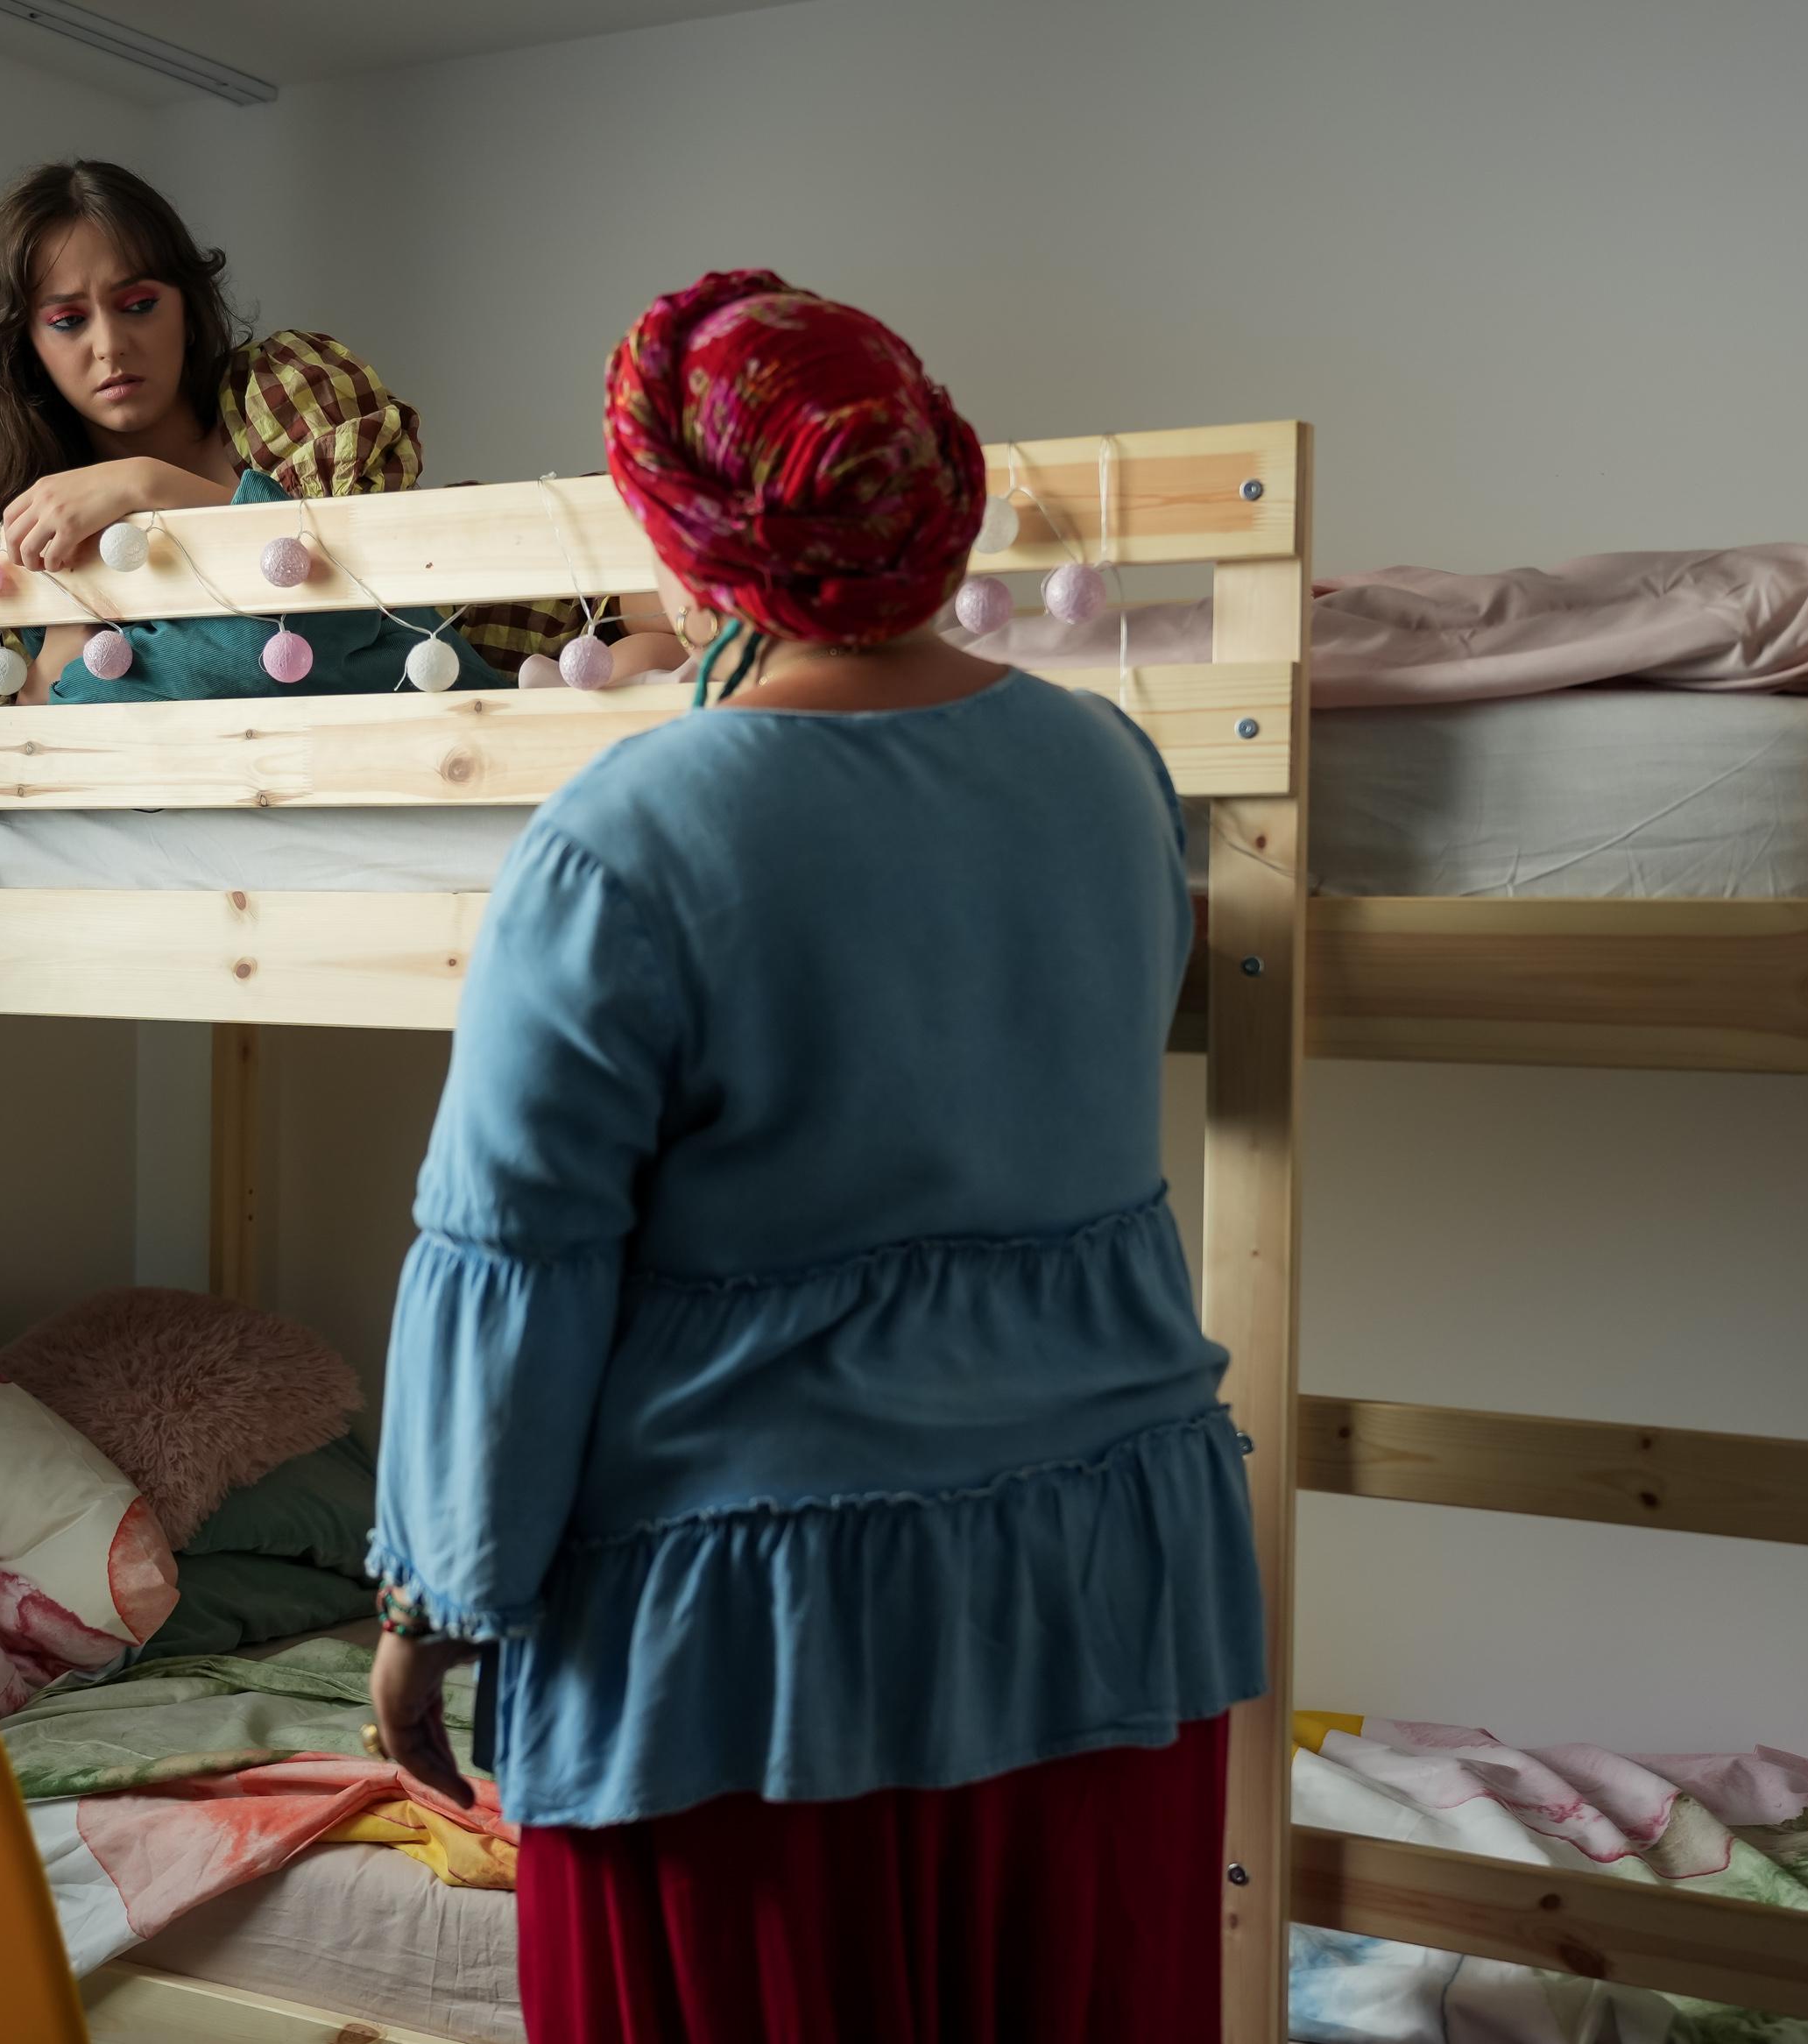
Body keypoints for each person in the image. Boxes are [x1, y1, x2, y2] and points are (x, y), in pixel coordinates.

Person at [364, 269, 1268, 2043]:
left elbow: (517, 1256)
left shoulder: (627, 836)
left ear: (695, 541)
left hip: (761, 1649)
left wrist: (435, 1597)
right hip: (1104, 1586)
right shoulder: (1108, 771)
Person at [0, 159, 583, 699]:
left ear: (187, 309)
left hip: (476, 658)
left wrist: (148, 485)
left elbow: (346, 589)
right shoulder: (27, 506)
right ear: (26, 347)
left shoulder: (280, 386)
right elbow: (33, 716)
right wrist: (59, 659)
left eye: (139, 305)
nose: (110, 346)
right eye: (68, 321)